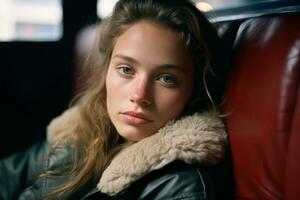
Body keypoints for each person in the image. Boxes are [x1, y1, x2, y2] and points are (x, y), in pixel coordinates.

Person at [0, 0, 233, 199]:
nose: (139, 96)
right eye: (126, 70)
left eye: (166, 78)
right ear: (107, 71)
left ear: (193, 91)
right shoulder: (78, 132)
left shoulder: (180, 187)